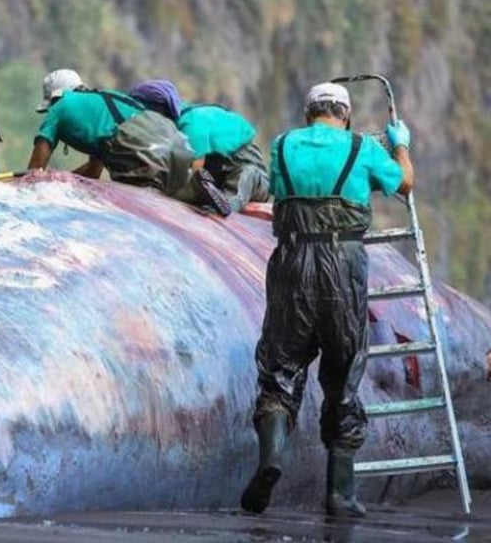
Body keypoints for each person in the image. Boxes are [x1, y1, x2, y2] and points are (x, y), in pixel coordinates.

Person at [240, 81, 414, 518]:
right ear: (346, 114)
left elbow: (278, 191)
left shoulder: (281, 146)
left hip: (292, 261)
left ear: (308, 113)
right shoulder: (361, 147)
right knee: (343, 372)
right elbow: (405, 184)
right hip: (343, 264)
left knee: (280, 368)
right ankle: (339, 494)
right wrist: (400, 145)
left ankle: (271, 458)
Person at [27, 68, 194, 196]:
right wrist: (62, 179)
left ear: (55, 96)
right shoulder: (103, 103)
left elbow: (34, 172)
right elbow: (93, 172)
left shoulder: (60, 105)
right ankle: (193, 188)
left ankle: (151, 186)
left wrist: (45, 182)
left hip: (145, 150)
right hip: (178, 144)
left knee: (124, 168)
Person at [128, 79, 270, 214]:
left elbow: (196, 169)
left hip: (250, 175)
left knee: (245, 176)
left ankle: (226, 203)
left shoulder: (192, 124)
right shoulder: (174, 129)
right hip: (214, 177)